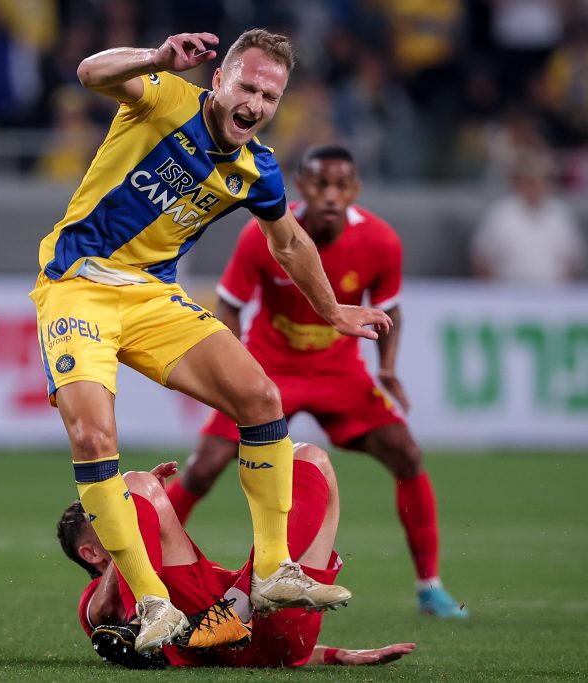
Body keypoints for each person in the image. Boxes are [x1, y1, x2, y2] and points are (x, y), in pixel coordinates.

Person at [31, 30, 392, 653]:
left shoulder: (257, 169)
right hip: (79, 285)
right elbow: (90, 72)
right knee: (93, 438)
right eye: (247, 86)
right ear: (219, 80)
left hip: (152, 297)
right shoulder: (166, 97)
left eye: (269, 96)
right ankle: (152, 602)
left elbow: (289, 242)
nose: (255, 103)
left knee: (261, 398)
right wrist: (155, 58)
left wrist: (332, 310)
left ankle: (274, 570)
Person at [166, 144, 468, 618]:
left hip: (338, 371)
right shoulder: (264, 233)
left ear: (355, 189)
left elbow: (390, 309)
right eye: (320, 184)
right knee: (204, 466)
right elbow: (230, 305)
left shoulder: (381, 241)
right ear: (302, 186)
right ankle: (145, 567)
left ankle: (430, 586)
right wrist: (232, 367)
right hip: (271, 366)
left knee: (407, 454)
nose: (330, 194)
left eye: (340, 185)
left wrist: (387, 366)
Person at [57, 444, 417, 669]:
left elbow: (258, 653)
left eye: (113, 514)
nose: (114, 517)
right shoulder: (94, 601)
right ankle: (236, 601)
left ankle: (253, 592)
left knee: (312, 457)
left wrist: (335, 654)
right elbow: (102, 614)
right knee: (135, 482)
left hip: (268, 637)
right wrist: (129, 516)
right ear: (90, 552)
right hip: (195, 628)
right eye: (101, 518)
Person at [471, 151, 587, 282]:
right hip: (507, 291)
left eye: (543, 179)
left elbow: (573, 260)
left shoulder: (560, 213)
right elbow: (481, 258)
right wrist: (490, 292)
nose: (536, 185)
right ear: (519, 180)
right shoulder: (499, 213)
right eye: (530, 179)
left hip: (553, 291)